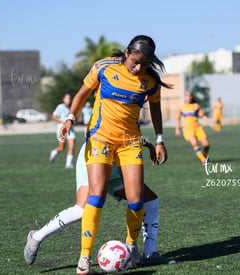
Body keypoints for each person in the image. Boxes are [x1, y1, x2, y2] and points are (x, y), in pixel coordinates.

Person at [60, 35, 172, 274]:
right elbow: (82, 94)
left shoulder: (150, 81)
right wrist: (70, 118)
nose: (138, 67)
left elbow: (155, 109)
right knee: (97, 196)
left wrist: (159, 140)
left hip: (130, 142)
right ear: (127, 52)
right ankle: (84, 257)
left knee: (136, 199)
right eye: (135, 61)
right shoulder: (104, 67)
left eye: (144, 63)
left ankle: (131, 248)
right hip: (100, 138)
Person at [23, 141, 176, 267]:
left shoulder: (137, 103)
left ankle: (149, 253)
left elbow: (130, 130)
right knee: (82, 209)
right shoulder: (106, 105)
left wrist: (149, 143)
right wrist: (70, 117)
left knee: (149, 200)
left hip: (119, 159)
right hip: (96, 154)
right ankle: (36, 237)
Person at [175, 90, 217, 165]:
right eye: (187, 96)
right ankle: (203, 160)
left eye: (190, 95)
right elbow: (178, 119)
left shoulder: (196, 106)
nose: (189, 97)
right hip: (188, 129)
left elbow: (203, 117)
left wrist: (211, 124)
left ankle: (204, 156)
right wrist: (177, 129)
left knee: (206, 145)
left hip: (198, 128)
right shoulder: (181, 107)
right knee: (194, 143)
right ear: (185, 97)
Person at [49, 94, 76, 169]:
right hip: (61, 129)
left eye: (70, 99)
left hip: (71, 129)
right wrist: (61, 120)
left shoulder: (73, 107)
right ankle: (54, 152)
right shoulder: (60, 107)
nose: (69, 100)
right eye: (67, 99)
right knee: (62, 148)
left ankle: (68, 164)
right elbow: (53, 116)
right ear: (63, 99)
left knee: (72, 146)